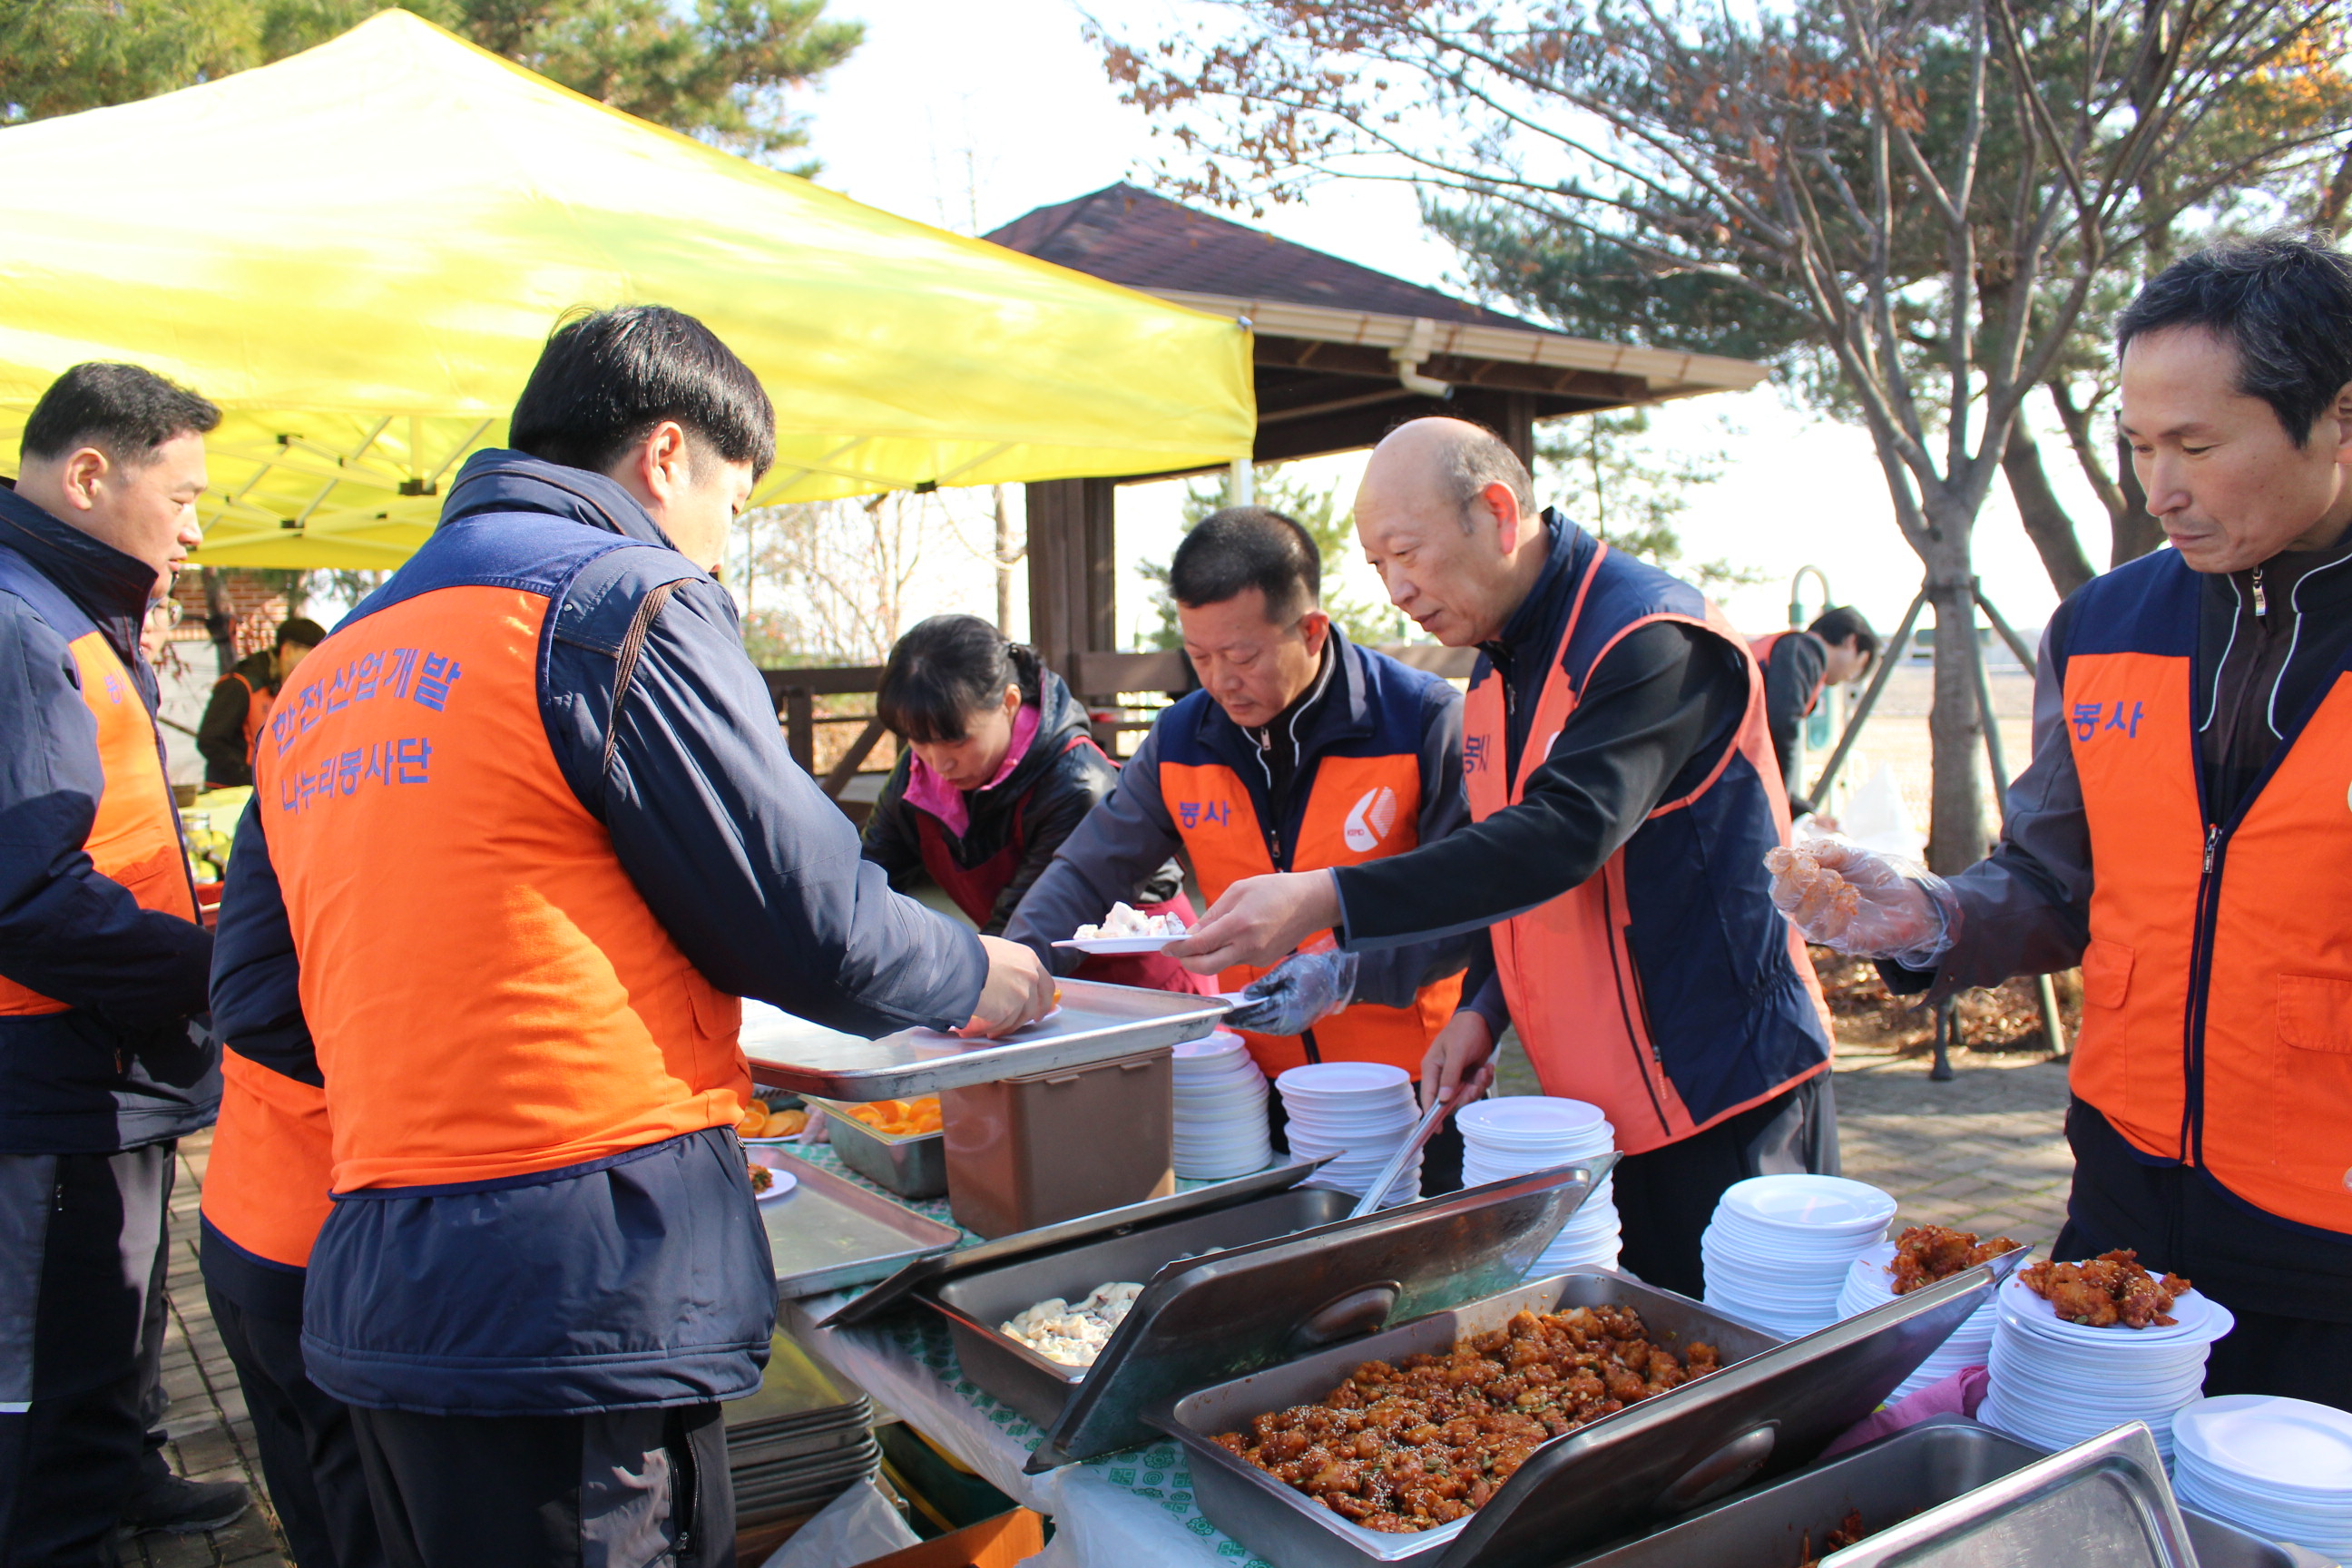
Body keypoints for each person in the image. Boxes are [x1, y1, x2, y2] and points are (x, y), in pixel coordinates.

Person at [207, 305, 1054, 1567]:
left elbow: (262, 1000)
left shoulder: (339, 667)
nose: (727, 542)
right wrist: (981, 973)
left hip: (379, 1269)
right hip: (580, 1283)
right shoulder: (621, 599)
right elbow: (811, 923)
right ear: (668, 457)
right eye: (736, 499)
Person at [1767, 233, 2352, 1409]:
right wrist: (1925, 914)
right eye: (2139, 444)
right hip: (2124, 1203)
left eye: (2197, 444)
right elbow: (2053, 879)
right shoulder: (2104, 624)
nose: (2158, 486)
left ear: (2337, 417)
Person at [1169, 421, 1837, 1295]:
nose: (1398, 589)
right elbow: (1510, 881)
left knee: (1749, 1366)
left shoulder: (1651, 638)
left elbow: (1559, 839)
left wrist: (1322, 897)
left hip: (1723, 1092)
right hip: (1589, 1111)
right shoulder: (1496, 672)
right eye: (1377, 566)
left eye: (1408, 553)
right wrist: (1483, 1009)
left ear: (1496, 511)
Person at [1005, 507, 1473, 1183]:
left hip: (1414, 1089)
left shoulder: (1422, 720)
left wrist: (1348, 973)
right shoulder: (1181, 739)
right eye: (1199, 657)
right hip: (1259, 1090)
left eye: (1243, 656)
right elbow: (1086, 870)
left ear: (1311, 631)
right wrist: (1012, 972)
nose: (1221, 681)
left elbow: (1471, 907)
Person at [0, 363, 233, 1563]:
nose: (195, 527)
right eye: (184, 495)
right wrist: (211, 960)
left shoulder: (67, 607)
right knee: (57, 1329)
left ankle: (122, 1467)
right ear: (92, 475)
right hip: (47, 1058)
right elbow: (25, 894)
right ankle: (61, 1523)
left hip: (110, 1051)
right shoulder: (16, 620)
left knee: (122, 1304)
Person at [860, 613, 1207, 993]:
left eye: (957, 741)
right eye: (918, 740)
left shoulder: (1076, 783)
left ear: (1009, 703)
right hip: (1028, 972)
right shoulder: (917, 776)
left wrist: (960, 992)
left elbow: (1027, 922)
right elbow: (867, 884)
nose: (938, 763)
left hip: (1142, 984)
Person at [1751, 605, 1877, 815]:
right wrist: (1780, 806)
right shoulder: (1802, 650)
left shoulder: (1788, 648)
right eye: (1860, 664)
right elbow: (1782, 725)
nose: (1850, 676)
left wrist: (1799, 807)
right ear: (1851, 641)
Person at [196, 616, 325, 789]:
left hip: (267, 792)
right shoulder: (241, 684)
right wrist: (250, 776)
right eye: (312, 655)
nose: (317, 663)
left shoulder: (295, 690)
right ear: (287, 651)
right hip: (229, 795)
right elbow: (209, 740)